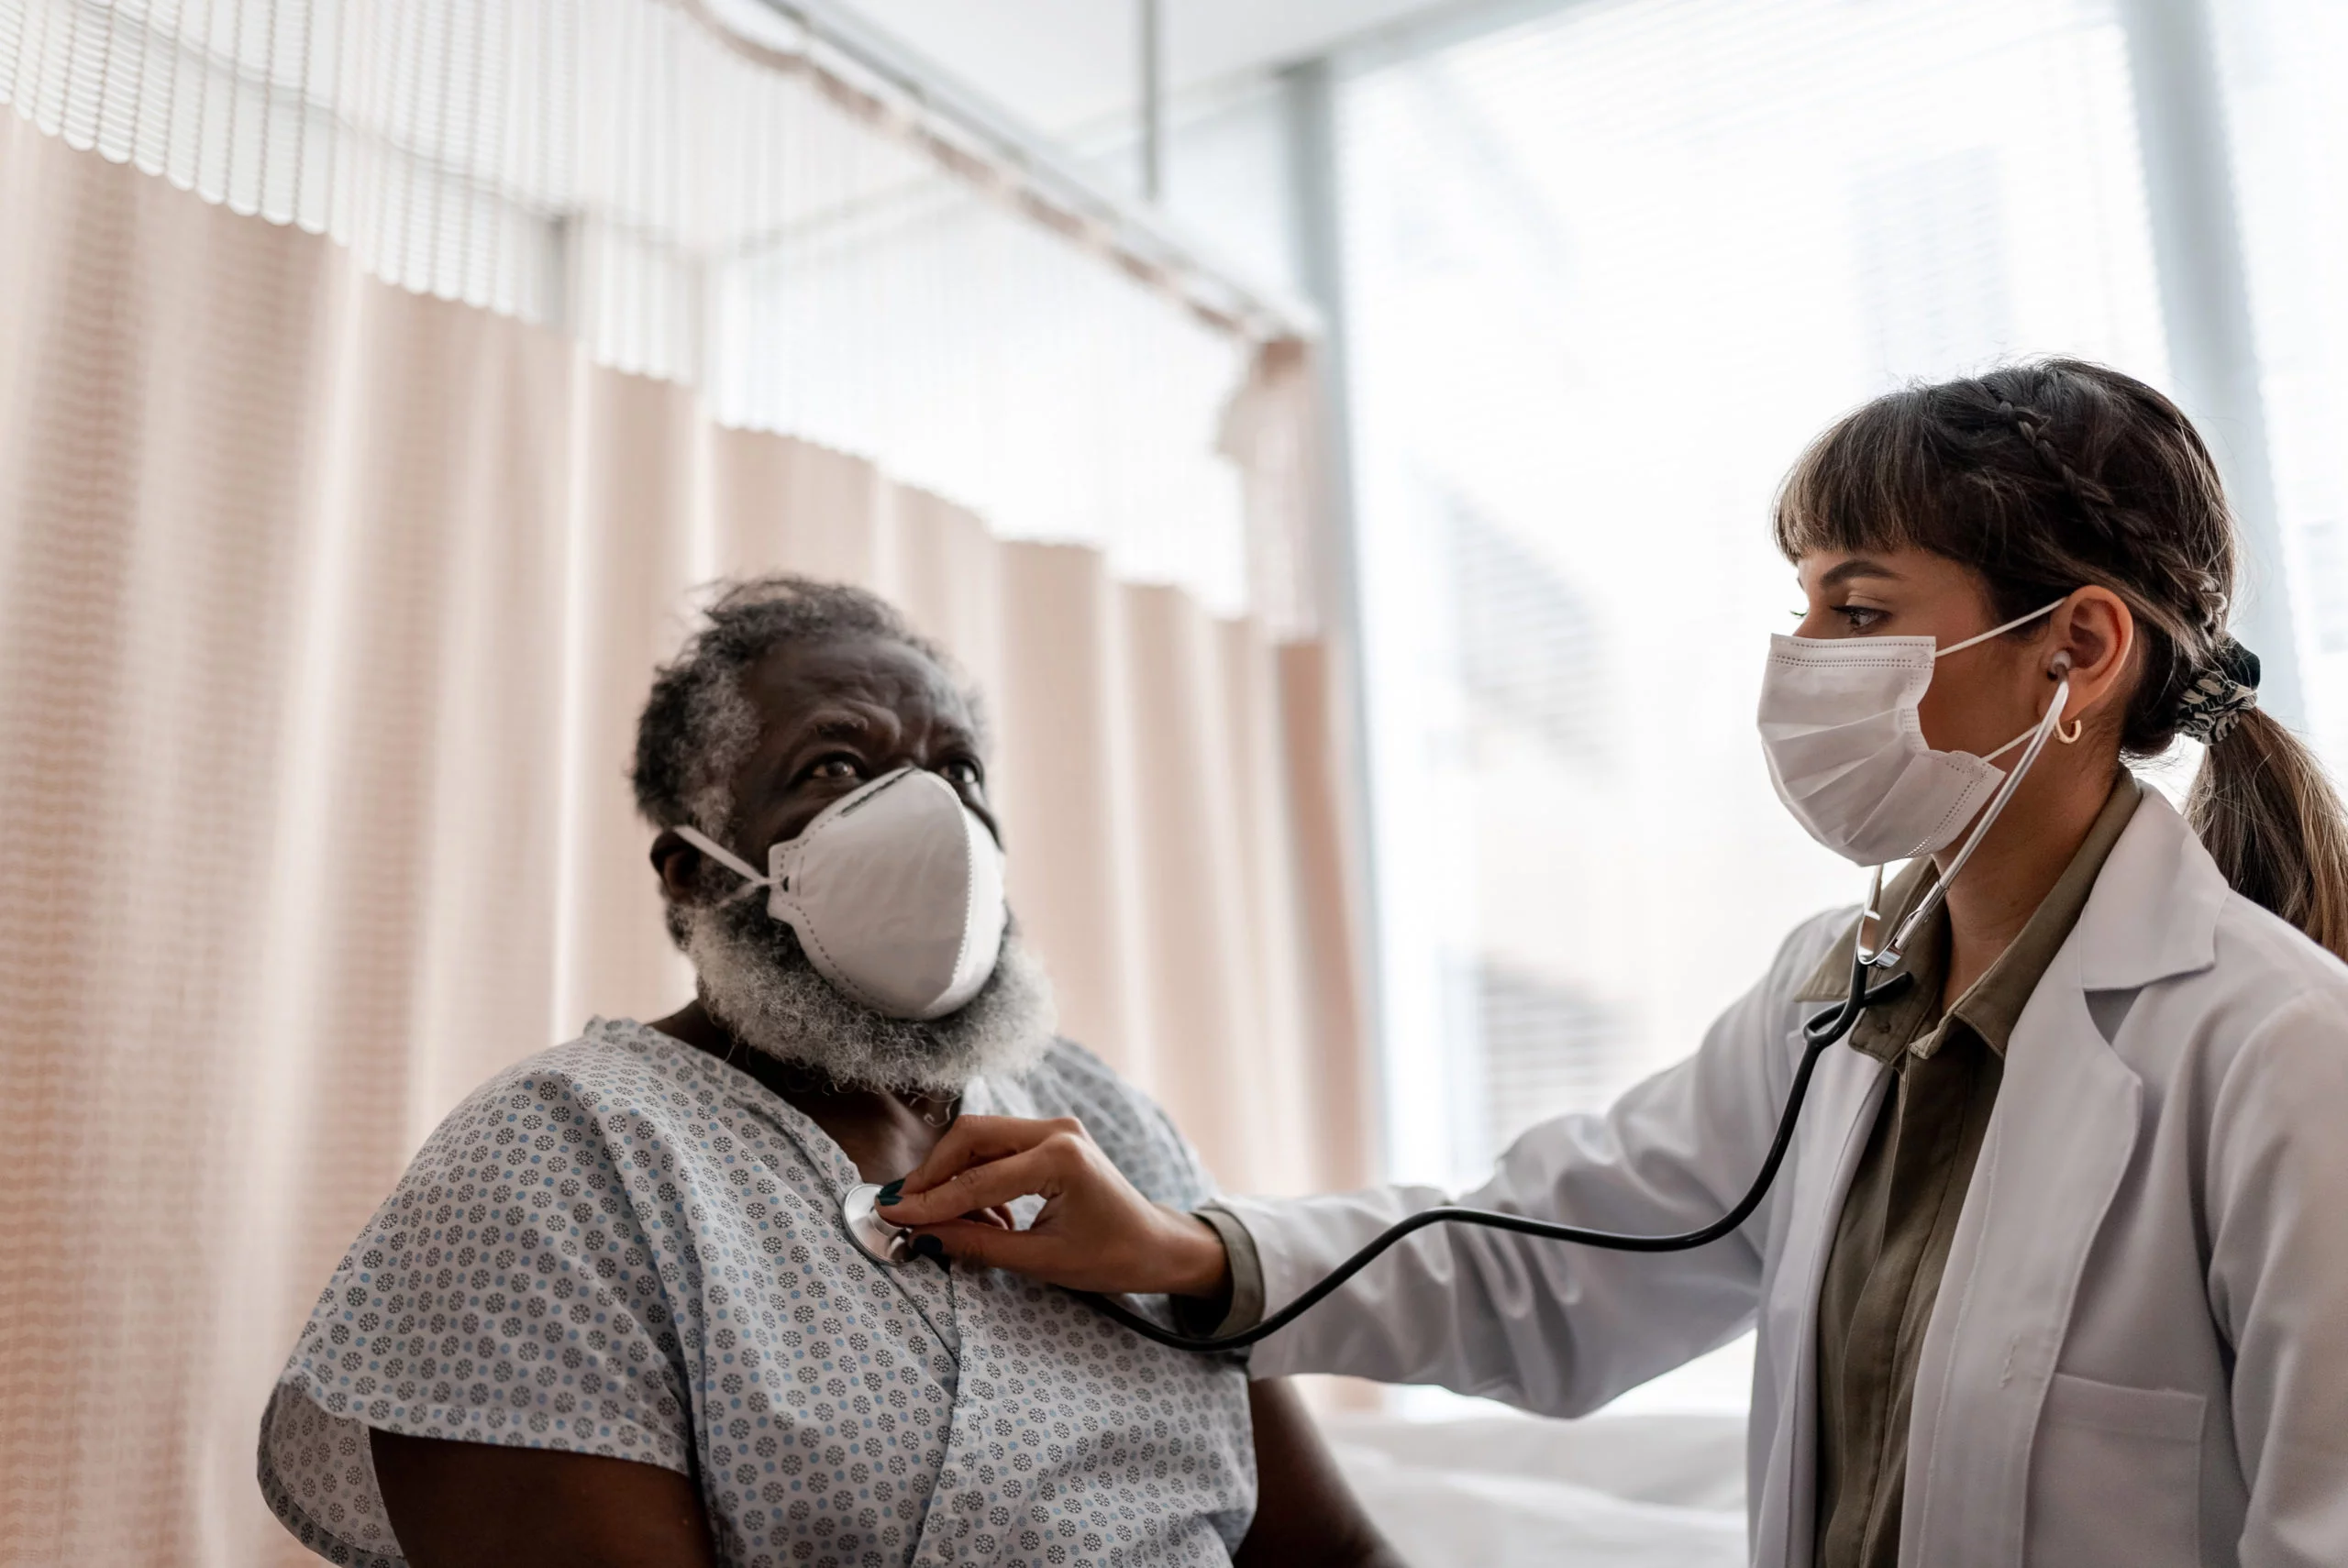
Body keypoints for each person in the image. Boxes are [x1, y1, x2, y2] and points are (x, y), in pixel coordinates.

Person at [875, 360, 2348, 1568]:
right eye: (1804, 608)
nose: (1801, 660)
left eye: (1859, 609)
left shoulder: (2275, 1047)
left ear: (2075, 647)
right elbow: (1547, 1253)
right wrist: (1182, 1251)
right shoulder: (1832, 995)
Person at [256, 577, 1400, 1568]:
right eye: (836, 765)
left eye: (959, 770)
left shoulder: (1103, 1123)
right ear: (693, 875)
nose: (932, 816)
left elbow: (1335, 1551)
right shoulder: (561, 1161)